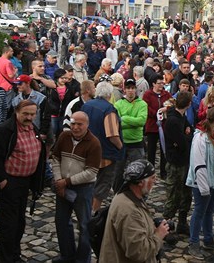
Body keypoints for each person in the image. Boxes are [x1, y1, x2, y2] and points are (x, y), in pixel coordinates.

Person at [0, 100, 47, 263]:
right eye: (26, 114)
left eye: (32, 114)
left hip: (25, 183)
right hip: (10, 182)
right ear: (16, 112)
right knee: (9, 224)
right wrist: (2, 180)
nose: (29, 117)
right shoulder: (5, 130)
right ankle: (7, 258)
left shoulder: (33, 129)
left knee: (19, 222)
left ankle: (14, 254)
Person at [52, 111, 102, 263]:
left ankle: (82, 259)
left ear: (87, 125)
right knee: (61, 222)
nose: (75, 127)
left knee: (85, 225)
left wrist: (66, 182)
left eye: (79, 124)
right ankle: (67, 255)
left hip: (83, 189)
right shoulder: (64, 137)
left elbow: (92, 172)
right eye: (73, 123)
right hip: (63, 185)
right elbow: (55, 158)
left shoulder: (94, 143)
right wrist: (59, 180)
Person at [99, 160, 169, 263]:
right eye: (152, 178)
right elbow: (138, 252)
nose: (155, 181)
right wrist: (159, 235)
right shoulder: (129, 210)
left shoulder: (128, 196)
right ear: (141, 182)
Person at [185, 108, 214, 260]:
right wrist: (203, 186)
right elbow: (198, 162)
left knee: (209, 211)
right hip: (202, 182)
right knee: (199, 211)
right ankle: (194, 242)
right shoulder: (200, 137)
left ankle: (209, 238)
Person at [81, 81, 123, 213]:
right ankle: (93, 213)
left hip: (87, 152)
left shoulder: (86, 106)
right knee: (101, 187)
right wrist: (121, 147)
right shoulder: (108, 109)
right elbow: (112, 135)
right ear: (110, 94)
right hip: (105, 155)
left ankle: (84, 209)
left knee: (88, 184)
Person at [163, 91, 193, 236]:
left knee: (186, 194)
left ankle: (182, 222)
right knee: (173, 195)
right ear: (188, 104)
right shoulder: (173, 120)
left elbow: (190, 130)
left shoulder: (182, 117)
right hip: (175, 162)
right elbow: (182, 143)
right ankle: (167, 228)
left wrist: (187, 134)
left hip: (185, 161)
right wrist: (186, 136)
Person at [113, 78, 148, 191]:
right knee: (118, 171)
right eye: (128, 88)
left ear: (136, 89)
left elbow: (141, 121)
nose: (130, 90)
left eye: (132, 88)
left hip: (136, 143)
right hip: (121, 143)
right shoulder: (118, 104)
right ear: (124, 89)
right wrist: (132, 121)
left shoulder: (142, 104)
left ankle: (135, 193)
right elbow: (116, 123)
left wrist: (124, 118)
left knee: (138, 171)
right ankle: (117, 193)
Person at [143, 73, 172, 179]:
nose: (161, 85)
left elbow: (172, 104)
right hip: (152, 126)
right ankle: (150, 171)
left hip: (164, 126)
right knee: (151, 150)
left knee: (164, 149)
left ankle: (163, 171)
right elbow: (146, 107)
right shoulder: (147, 94)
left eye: (162, 83)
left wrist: (166, 109)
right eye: (159, 83)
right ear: (153, 84)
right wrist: (157, 113)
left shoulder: (166, 94)